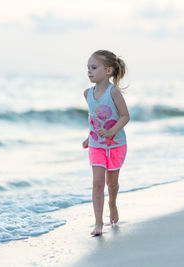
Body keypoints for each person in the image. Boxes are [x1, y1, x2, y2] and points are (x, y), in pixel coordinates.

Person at [82, 50, 130, 236]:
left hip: (116, 144)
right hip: (96, 144)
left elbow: (125, 116)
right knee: (97, 182)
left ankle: (112, 203)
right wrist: (90, 136)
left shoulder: (114, 92)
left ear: (108, 70)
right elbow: (93, 118)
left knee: (112, 183)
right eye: (88, 68)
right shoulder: (87, 94)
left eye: (94, 67)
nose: (89, 71)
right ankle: (98, 223)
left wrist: (111, 132)